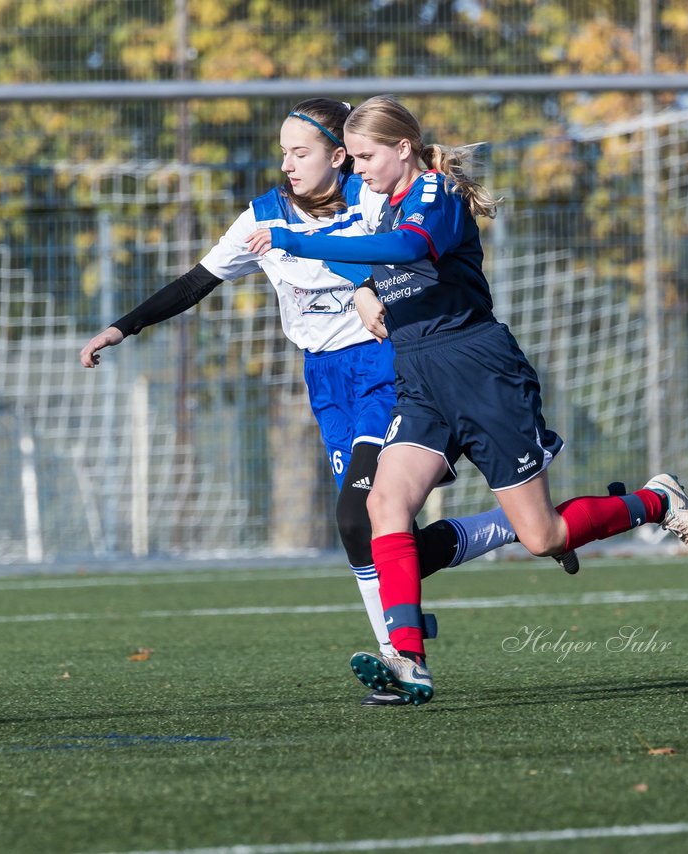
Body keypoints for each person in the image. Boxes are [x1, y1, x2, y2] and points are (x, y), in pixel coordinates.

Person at [78, 98, 574, 708]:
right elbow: (194, 283)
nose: (286, 163)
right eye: (281, 152)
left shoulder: (375, 199)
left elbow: (406, 248)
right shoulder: (261, 217)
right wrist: (121, 330)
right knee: (380, 537)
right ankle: (498, 549)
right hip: (326, 382)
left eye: (300, 152)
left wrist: (367, 291)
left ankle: (405, 653)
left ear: (339, 156)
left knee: (355, 515)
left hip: (385, 370)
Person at [246, 95, 688, 705]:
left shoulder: (432, 195)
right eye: (354, 157)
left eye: (366, 156)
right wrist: (362, 290)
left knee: (543, 536)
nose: (357, 168)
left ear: (402, 149)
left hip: (477, 371)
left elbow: (407, 250)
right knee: (383, 506)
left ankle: (655, 502)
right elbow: (372, 260)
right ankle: (409, 661)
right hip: (418, 376)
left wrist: (299, 242)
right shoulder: (377, 201)